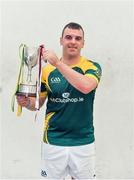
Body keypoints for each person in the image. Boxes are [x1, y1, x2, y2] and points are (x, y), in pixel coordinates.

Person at [17, 22, 102, 180]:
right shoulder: (47, 71)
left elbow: (86, 86)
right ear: (61, 40)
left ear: (83, 43)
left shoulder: (92, 67)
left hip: (83, 142)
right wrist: (26, 102)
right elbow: (38, 103)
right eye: (68, 37)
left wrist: (58, 63)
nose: (73, 41)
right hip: (53, 141)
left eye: (78, 38)